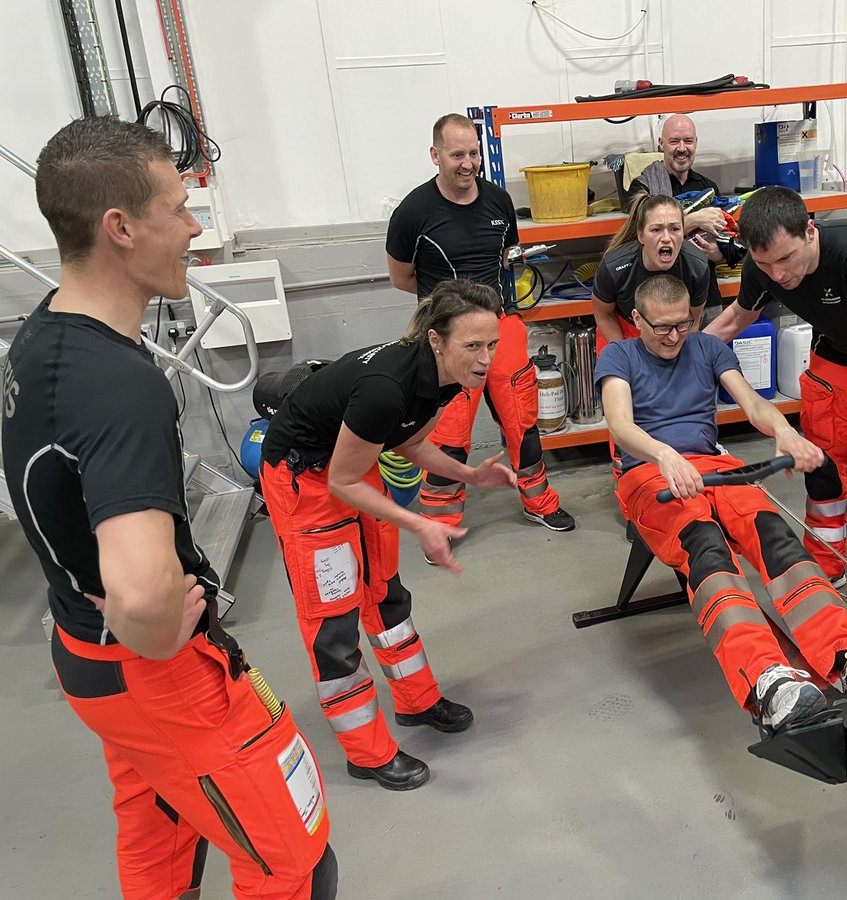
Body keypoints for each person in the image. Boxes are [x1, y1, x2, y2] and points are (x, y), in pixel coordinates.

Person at [1, 116, 336, 898]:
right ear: (120, 227)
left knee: (161, 840)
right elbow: (146, 593)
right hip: (154, 677)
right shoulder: (119, 386)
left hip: (89, 662)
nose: (194, 229)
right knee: (292, 862)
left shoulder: (43, 333)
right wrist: (153, 626)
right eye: (179, 209)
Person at [596, 274, 847, 732]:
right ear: (636, 319)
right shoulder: (619, 355)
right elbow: (619, 423)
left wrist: (786, 432)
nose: (674, 337)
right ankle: (766, 679)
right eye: (661, 328)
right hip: (649, 472)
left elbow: (752, 404)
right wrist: (665, 455)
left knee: (776, 537)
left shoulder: (708, 348)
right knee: (706, 547)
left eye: (683, 325)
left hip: (713, 464)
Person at [259, 280, 518, 791]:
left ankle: (416, 701)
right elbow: (341, 481)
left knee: (385, 593)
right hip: (306, 480)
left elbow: (411, 443)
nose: (486, 359)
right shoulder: (386, 386)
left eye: (492, 344)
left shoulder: (444, 378)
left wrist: (470, 476)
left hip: (353, 466)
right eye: (473, 346)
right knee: (334, 621)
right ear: (435, 340)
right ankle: (367, 751)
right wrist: (421, 520)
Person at [705, 187, 847, 660]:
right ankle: (826, 574)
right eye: (766, 266)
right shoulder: (762, 264)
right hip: (830, 366)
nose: (779, 276)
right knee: (822, 476)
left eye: (786, 259)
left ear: (810, 231)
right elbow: (733, 321)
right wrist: (670, 358)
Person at [387, 113, 575, 536]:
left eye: (473, 153)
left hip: (501, 325)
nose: (468, 162)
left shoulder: (497, 201)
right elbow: (402, 278)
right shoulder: (412, 212)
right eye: (457, 154)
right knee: (449, 434)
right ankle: (441, 524)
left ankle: (538, 502)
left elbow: (505, 255)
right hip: (447, 340)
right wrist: (451, 314)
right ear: (435, 155)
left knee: (522, 422)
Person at [592, 193, 717, 349]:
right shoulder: (614, 266)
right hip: (624, 331)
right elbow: (603, 315)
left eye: (675, 229)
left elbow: (692, 323)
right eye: (656, 229)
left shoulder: (696, 267)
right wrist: (622, 354)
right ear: (641, 235)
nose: (666, 237)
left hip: (673, 334)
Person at [627, 113, 730, 236]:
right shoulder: (642, 188)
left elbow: (723, 232)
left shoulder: (708, 187)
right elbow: (639, 236)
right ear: (661, 143)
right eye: (674, 141)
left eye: (688, 141)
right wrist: (693, 220)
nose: (682, 148)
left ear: (696, 142)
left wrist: (717, 253)